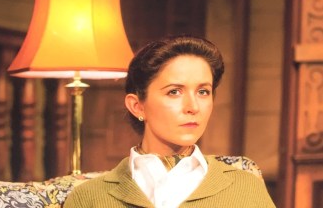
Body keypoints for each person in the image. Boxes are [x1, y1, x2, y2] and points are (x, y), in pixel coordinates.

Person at [65, 35, 273, 208]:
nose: (193, 106)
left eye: (203, 91)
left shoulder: (244, 188)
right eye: (174, 92)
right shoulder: (90, 197)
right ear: (137, 106)